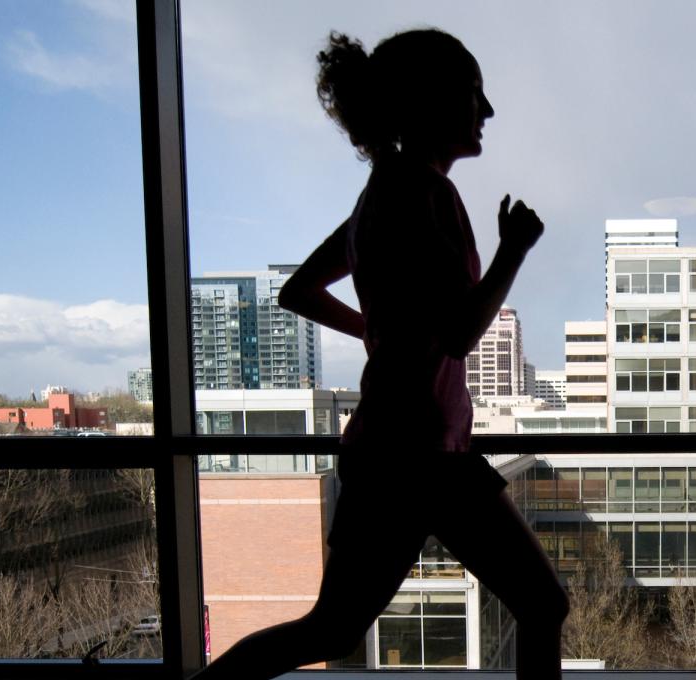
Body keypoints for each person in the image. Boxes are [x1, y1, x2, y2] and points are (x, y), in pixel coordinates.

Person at [188, 28, 565, 680]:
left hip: (403, 451)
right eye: (474, 92)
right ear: (429, 100)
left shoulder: (380, 194)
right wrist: (513, 250)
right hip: (418, 456)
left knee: (331, 628)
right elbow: (460, 336)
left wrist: (377, 331)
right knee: (540, 604)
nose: (489, 110)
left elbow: (300, 292)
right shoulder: (423, 192)